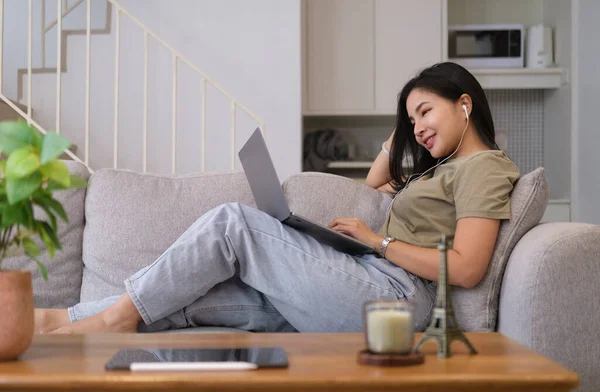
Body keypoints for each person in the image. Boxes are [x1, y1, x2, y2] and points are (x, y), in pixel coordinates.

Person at [35, 62, 520, 334]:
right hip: (368, 281)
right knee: (210, 291)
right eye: (413, 118)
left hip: (397, 296)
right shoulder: (441, 170)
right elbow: (372, 189)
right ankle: (62, 320)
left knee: (233, 224)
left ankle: (114, 318)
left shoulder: (483, 167)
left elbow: (467, 267)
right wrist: (403, 134)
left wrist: (379, 243)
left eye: (425, 111)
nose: (418, 126)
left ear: (464, 103)